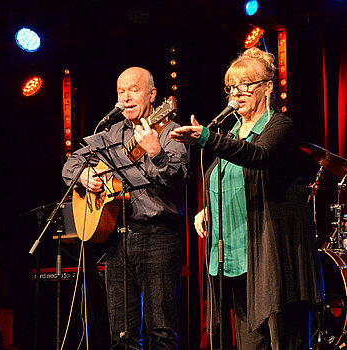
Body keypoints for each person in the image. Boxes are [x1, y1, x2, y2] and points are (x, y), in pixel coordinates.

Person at [170, 47, 324, 349]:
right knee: (249, 344)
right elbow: (221, 180)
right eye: (232, 87)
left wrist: (206, 137)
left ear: (267, 87)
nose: (236, 93)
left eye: (245, 85)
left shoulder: (279, 126)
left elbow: (259, 155)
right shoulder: (231, 134)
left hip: (275, 258)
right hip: (237, 261)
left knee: (284, 339)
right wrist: (206, 210)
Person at [62, 67, 190, 349]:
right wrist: (83, 176)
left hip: (157, 237)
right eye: (121, 91)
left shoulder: (170, 131)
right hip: (116, 238)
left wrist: (155, 152)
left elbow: (178, 177)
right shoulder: (111, 134)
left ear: (153, 95)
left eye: (134, 90)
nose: (127, 97)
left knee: (161, 331)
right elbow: (71, 164)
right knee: (121, 334)